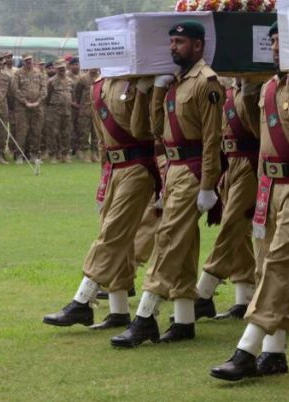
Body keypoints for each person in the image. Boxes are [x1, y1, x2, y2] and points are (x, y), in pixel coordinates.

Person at [208, 21, 289, 380]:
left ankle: (247, 349)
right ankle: (275, 351)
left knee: (281, 263)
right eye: (274, 44)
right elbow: (258, 131)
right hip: (271, 186)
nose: (278, 50)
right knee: (268, 264)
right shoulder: (268, 87)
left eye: (284, 43)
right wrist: (247, 91)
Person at [110, 21, 223, 348]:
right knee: (185, 242)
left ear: (198, 46)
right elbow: (156, 128)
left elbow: (213, 138)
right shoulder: (176, 83)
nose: (174, 47)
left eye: (181, 42)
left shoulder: (207, 82)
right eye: (172, 41)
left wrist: (207, 184)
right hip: (173, 168)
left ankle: (145, 316)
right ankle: (185, 318)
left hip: (192, 169)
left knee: (170, 235)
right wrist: (158, 88)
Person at [42, 75, 160, 331]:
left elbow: (143, 131)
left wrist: (141, 92)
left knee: (113, 232)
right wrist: (104, 173)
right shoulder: (100, 84)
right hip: (115, 166)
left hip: (139, 166)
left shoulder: (141, 82)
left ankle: (82, 300)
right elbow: (101, 137)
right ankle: (118, 311)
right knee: (122, 239)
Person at [195, 77, 260, 321]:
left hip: (251, 163)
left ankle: (203, 292)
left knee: (232, 224)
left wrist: (250, 94)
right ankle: (244, 297)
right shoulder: (228, 89)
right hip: (230, 162)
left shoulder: (256, 89)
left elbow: (258, 131)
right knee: (240, 234)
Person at [11, 55, 47, 163]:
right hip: (22, 108)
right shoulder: (18, 74)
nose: (28, 62)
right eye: (26, 61)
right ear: (23, 61)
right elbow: (14, 89)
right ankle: (19, 156)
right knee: (21, 132)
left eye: (30, 60)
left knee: (36, 131)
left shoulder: (39, 73)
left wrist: (38, 101)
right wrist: (25, 102)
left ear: (33, 61)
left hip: (37, 107)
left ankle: (34, 155)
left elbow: (44, 89)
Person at [44, 59, 74, 163]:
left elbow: (72, 95)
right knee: (53, 132)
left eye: (63, 67)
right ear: (56, 69)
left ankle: (65, 154)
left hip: (67, 110)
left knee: (66, 133)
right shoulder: (51, 81)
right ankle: (53, 154)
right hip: (54, 111)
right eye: (59, 68)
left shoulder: (70, 81)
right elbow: (47, 97)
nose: (62, 69)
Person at [72, 67, 99, 162]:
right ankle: (85, 152)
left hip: (97, 109)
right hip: (85, 109)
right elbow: (77, 93)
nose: (94, 68)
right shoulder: (82, 78)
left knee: (96, 133)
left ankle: (94, 153)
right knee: (84, 132)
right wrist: (80, 104)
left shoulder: (100, 77)